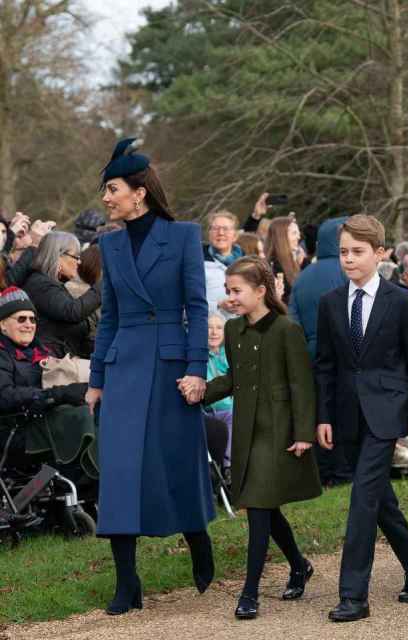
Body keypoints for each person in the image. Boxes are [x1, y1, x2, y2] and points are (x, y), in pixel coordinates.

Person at [84, 138, 215, 615]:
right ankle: (127, 582)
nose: (106, 198)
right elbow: (111, 317)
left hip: (170, 365)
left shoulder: (182, 236)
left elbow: (196, 309)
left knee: (176, 461)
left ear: (139, 191)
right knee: (119, 473)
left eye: (112, 188)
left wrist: (197, 369)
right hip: (123, 367)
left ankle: (199, 540)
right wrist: (96, 380)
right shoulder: (110, 243)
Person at [315, 215, 408, 622]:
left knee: (363, 499)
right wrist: (323, 416)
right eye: (344, 252)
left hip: (388, 412)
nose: (349, 259)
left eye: (358, 252)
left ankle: (353, 595)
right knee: (379, 497)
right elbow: (326, 366)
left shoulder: (403, 302)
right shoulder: (330, 303)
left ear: (380, 254)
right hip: (347, 415)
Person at [203, 256, 321, 619]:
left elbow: (302, 386)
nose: (230, 297)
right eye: (227, 291)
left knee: (257, 509)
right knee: (264, 508)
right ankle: (299, 565)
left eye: (237, 291)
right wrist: (199, 392)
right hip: (247, 432)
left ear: (260, 291)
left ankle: (250, 592)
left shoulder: (287, 330)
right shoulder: (234, 331)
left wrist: (304, 434)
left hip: (279, 433)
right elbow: (233, 380)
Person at [0, 286, 97, 485]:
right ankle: (86, 479)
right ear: (2, 324)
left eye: (32, 319)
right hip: (15, 431)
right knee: (79, 418)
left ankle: (93, 483)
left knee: (96, 410)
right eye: (21, 319)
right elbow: (5, 396)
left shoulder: (41, 351)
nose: (29, 324)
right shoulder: (3, 353)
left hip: (42, 421)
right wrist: (58, 394)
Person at [21, 232, 102, 358]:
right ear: (58, 256)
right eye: (76, 256)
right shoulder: (40, 284)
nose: (79, 262)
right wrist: (104, 284)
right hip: (48, 367)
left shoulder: (52, 285)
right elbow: (73, 312)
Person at [288, 216, 348, 360]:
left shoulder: (302, 277)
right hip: (345, 352)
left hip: (312, 355)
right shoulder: (351, 270)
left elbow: (293, 321)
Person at [203, 210, 244, 318]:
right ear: (209, 233)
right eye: (216, 228)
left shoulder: (247, 264)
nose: (221, 233)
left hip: (240, 330)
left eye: (226, 229)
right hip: (210, 330)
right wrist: (218, 305)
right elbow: (188, 302)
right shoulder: (196, 262)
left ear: (235, 235)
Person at [206, 313, 233, 468]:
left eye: (218, 328)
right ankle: (227, 465)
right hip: (209, 411)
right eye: (209, 328)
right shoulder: (199, 357)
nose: (214, 332)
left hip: (231, 409)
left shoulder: (230, 355)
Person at [265, 216, 303, 305]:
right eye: (294, 233)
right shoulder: (273, 265)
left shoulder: (290, 261)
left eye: (298, 233)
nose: (299, 237)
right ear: (281, 236)